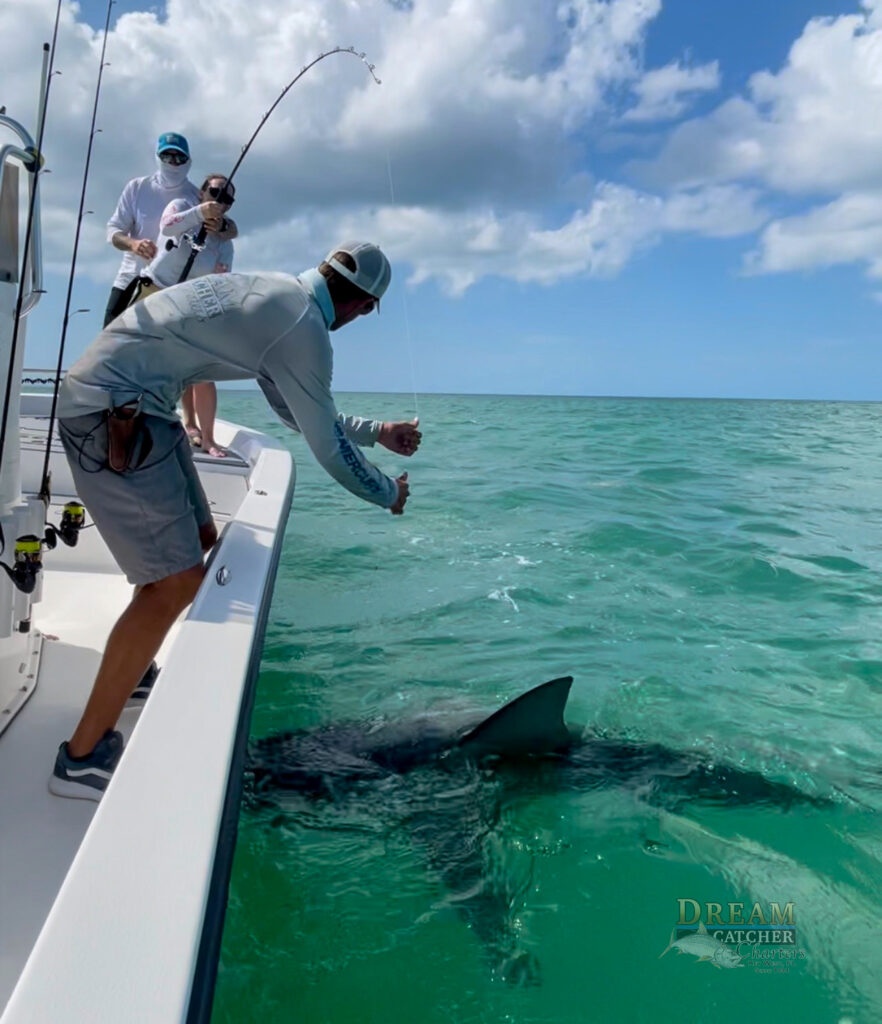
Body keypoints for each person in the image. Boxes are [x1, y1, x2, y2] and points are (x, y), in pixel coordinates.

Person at [48, 241, 421, 800]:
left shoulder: (282, 298)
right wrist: (386, 491)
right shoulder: (302, 326)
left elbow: (293, 408)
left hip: (142, 405)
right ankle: (80, 759)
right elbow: (325, 445)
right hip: (113, 413)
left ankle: (131, 673)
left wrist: (379, 432)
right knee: (175, 583)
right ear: (365, 306)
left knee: (200, 543)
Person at [134, 173, 238, 457]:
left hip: (191, 301)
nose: (219, 200)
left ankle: (207, 437)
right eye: (215, 192)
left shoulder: (224, 243)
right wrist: (199, 214)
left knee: (200, 370)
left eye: (226, 197)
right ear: (202, 192)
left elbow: (220, 280)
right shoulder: (181, 205)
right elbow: (167, 228)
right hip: (154, 290)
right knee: (143, 363)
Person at [103, 132, 237, 326]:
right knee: (109, 342)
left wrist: (223, 226)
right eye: (167, 156)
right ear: (157, 157)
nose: (174, 162)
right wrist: (133, 244)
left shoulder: (195, 196)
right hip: (132, 279)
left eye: (179, 157)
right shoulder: (137, 187)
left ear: (188, 161)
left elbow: (229, 226)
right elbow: (113, 231)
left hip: (172, 292)